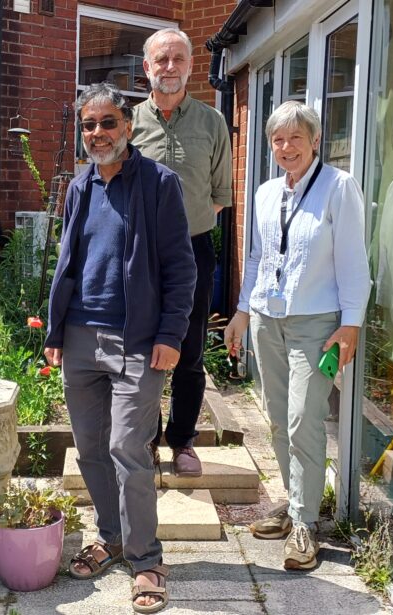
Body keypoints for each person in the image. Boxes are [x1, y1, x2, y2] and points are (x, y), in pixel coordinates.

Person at [44, 83, 194, 613]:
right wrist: (56, 333)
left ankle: (147, 558)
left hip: (136, 342)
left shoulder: (158, 184)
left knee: (128, 448)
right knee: (89, 447)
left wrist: (171, 336)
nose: (98, 133)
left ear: (128, 126)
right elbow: (67, 262)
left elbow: (181, 267)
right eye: (88, 124)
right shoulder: (80, 184)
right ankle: (110, 536)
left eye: (108, 123)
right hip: (81, 337)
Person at [223, 101, 370, 570]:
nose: (286, 148)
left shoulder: (338, 187)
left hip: (317, 324)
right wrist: (242, 313)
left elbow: (353, 262)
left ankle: (307, 525)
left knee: (304, 420)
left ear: (315, 141)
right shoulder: (266, 192)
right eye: (278, 140)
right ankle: (294, 504)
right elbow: (259, 259)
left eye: (295, 138)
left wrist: (350, 325)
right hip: (268, 319)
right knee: (274, 417)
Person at [131, 27, 233, 477]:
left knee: (189, 352)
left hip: (192, 252)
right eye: (161, 60)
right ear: (147, 68)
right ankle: (146, 440)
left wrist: (180, 230)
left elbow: (218, 193)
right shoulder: (127, 122)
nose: (169, 67)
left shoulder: (212, 123)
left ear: (191, 66)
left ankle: (184, 441)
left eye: (178, 59)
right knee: (139, 350)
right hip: (139, 254)